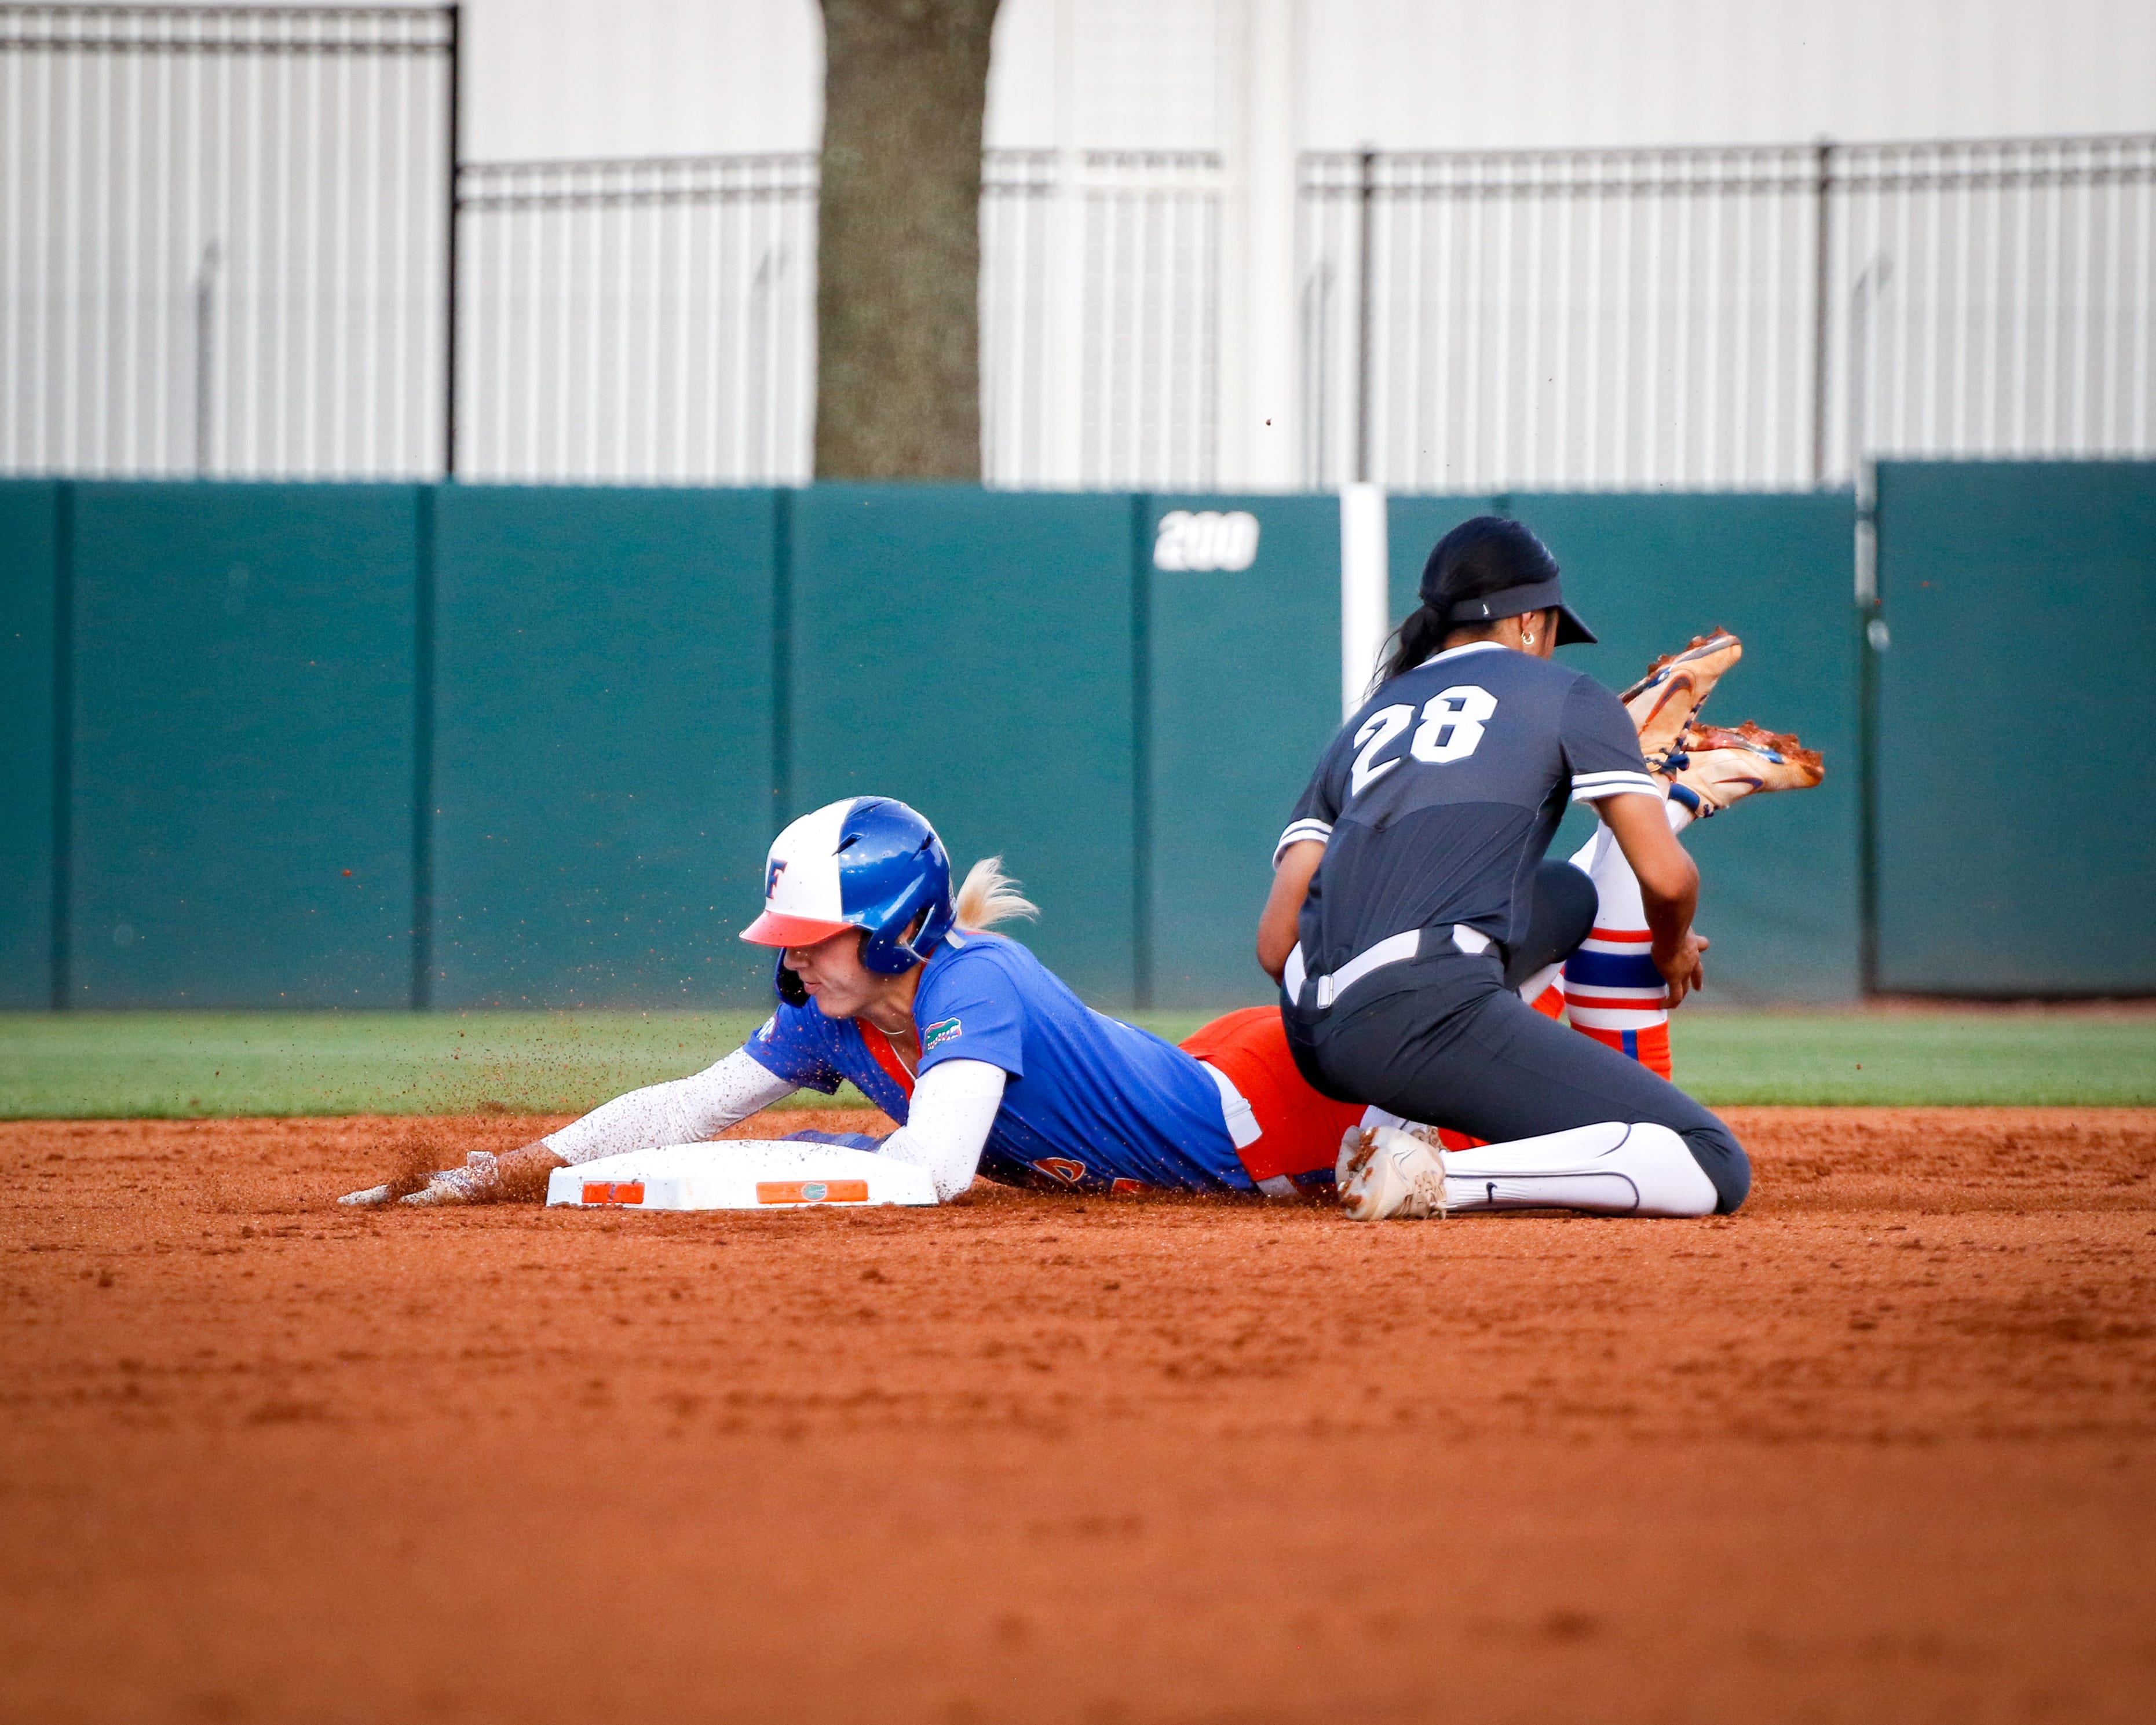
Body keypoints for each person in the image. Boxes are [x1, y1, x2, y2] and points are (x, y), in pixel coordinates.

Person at [342, 797, 1366, 1208]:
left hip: (1266, 1114)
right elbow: (689, 1107)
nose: (792, 961)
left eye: (812, 936)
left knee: (1475, 1125)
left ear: (888, 927)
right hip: (1188, 1074)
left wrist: (774, 1163)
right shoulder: (830, 1009)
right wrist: (491, 1178)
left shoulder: (976, 981)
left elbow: (934, 1170)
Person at [1259, 516, 1812, 1223]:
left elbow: (1276, 945)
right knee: (1709, 1158)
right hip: (1412, 1016)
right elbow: (1669, 881)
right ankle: (1431, 1175)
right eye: (1551, 627)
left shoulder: (1369, 718)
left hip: (1315, 1029)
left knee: (1567, 894)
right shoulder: (1567, 696)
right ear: (1527, 622)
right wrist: (1670, 943)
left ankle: (1397, 1120)